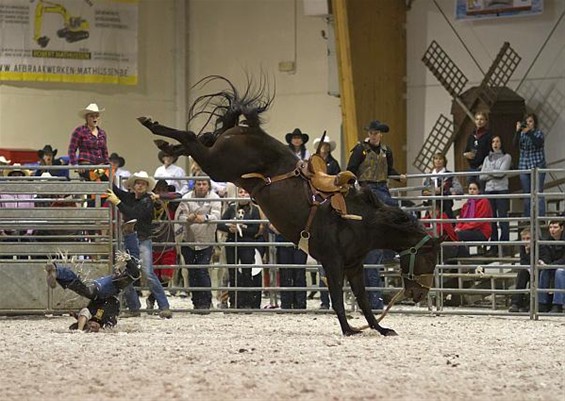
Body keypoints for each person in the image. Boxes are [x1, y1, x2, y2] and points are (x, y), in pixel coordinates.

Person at [347, 119, 407, 310]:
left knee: (394, 214)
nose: (374, 136)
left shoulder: (386, 151)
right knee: (391, 213)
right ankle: (392, 250)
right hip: (367, 188)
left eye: (376, 133)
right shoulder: (360, 149)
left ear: (380, 134)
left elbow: (389, 170)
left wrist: (398, 176)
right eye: (372, 133)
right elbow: (351, 169)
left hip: (381, 187)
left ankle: (391, 249)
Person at [44, 220, 141, 332]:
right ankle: (129, 234)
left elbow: (84, 313)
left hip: (104, 292)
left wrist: (80, 328)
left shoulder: (91, 314)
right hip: (110, 291)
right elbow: (110, 322)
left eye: (90, 326)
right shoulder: (106, 322)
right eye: (92, 327)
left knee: (132, 273)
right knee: (134, 272)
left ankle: (58, 271)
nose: (93, 327)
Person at [106, 171, 172, 319]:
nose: (140, 185)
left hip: (140, 239)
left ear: (146, 186)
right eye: (138, 183)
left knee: (145, 273)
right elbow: (115, 189)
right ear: (134, 186)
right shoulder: (134, 198)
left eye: (143, 183)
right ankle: (139, 306)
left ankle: (158, 306)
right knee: (130, 273)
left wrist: (117, 202)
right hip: (134, 238)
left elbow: (133, 213)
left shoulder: (147, 201)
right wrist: (103, 176)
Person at [175, 174, 221, 310]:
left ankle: (206, 302)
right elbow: (180, 217)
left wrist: (205, 217)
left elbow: (217, 216)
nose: (201, 186)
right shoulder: (186, 197)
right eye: (198, 184)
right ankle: (196, 303)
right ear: (194, 185)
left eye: (204, 184)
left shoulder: (215, 198)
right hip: (188, 239)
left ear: (208, 185)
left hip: (206, 240)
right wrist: (188, 218)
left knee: (202, 270)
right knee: (192, 272)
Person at [217, 187, 262, 309]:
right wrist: (229, 228)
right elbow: (220, 224)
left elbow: (255, 229)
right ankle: (235, 301)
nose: (243, 195)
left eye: (245, 192)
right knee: (233, 272)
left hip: (247, 243)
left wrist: (242, 228)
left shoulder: (254, 210)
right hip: (232, 242)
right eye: (241, 192)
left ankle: (247, 302)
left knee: (247, 272)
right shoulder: (231, 209)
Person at [146, 179, 180, 310]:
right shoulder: (148, 204)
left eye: (162, 190)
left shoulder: (171, 205)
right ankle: (156, 301)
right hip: (153, 245)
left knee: (165, 277)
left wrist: (160, 197)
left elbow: (178, 196)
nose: (159, 193)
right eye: (157, 190)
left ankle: (152, 298)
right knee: (154, 277)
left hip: (168, 245)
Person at [479, 136, 512, 256]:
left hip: (501, 190)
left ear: (501, 143)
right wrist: (494, 173)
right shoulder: (487, 158)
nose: (495, 143)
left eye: (498, 141)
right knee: (491, 219)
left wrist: (490, 172)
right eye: (493, 141)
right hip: (489, 190)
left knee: (502, 218)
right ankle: (493, 246)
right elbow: (481, 176)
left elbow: (502, 173)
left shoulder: (506, 157)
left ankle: (504, 246)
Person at [508, 226, 550, 313]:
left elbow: (545, 259)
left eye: (528, 238)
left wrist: (530, 255)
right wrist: (527, 253)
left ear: (534, 239)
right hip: (530, 269)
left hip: (541, 269)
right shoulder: (523, 246)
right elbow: (523, 261)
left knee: (537, 275)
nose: (525, 241)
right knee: (522, 273)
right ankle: (516, 303)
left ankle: (532, 304)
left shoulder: (541, 245)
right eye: (523, 239)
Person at [514, 113, 546, 217]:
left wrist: (529, 133)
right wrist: (518, 131)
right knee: (527, 193)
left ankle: (540, 217)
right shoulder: (521, 134)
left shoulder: (538, 133)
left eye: (531, 121)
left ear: (535, 123)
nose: (528, 124)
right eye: (526, 122)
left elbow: (538, 143)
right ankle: (527, 217)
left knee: (539, 192)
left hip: (538, 164)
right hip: (524, 165)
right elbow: (514, 145)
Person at [269, 222, 307, 310]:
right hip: (283, 241)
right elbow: (270, 224)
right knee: (285, 273)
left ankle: (300, 303)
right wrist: (274, 227)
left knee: (299, 273)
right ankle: (286, 303)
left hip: (300, 242)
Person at [68, 103, 109, 181]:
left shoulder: (102, 133)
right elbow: (72, 149)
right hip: (86, 165)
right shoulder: (80, 131)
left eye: (96, 116)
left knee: (106, 180)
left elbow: (105, 151)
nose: (95, 118)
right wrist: (75, 164)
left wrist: (107, 164)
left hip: (99, 166)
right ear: (86, 118)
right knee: (102, 179)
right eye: (92, 116)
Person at [454, 182, 493, 258]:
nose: (472, 191)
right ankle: (458, 260)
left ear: (478, 191)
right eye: (470, 189)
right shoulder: (467, 204)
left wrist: (461, 229)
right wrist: (457, 228)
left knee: (457, 235)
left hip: (481, 231)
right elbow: (461, 219)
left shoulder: (484, 201)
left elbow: (478, 221)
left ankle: (465, 259)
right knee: (453, 235)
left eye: (474, 189)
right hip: (468, 229)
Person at [422, 152, 463, 219]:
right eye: (436, 159)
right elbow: (424, 192)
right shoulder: (429, 176)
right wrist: (434, 191)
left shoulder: (450, 175)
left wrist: (444, 190)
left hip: (445, 206)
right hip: (432, 206)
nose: (438, 161)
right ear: (433, 161)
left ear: (444, 161)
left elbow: (459, 190)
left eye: (440, 159)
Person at [538, 219, 564, 313]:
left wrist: (550, 265)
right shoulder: (547, 241)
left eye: (555, 227)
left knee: (559, 272)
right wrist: (544, 263)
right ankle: (542, 303)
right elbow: (546, 256)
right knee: (544, 271)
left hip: (561, 267)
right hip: (553, 266)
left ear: (562, 228)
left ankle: (558, 304)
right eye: (550, 227)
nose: (552, 230)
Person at [463, 111, 492, 186]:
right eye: (477, 119)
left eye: (481, 119)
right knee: (471, 189)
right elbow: (467, 150)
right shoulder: (471, 136)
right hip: (472, 167)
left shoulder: (488, 135)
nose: (479, 121)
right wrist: (466, 154)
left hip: (483, 167)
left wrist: (484, 164)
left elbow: (490, 151)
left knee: (481, 188)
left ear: (486, 121)